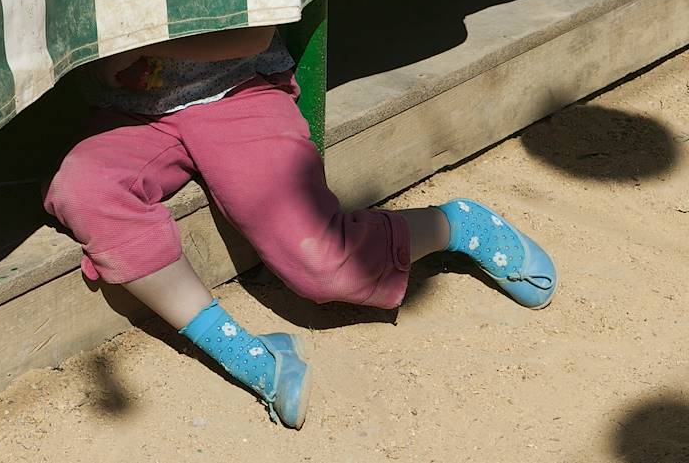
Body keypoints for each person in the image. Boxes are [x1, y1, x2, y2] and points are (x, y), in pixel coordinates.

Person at [43, 25, 557, 429]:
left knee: (325, 266)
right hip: (128, 114)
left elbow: (253, 34)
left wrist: (136, 46)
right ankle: (248, 353)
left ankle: (456, 225)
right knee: (84, 192)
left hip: (237, 90)